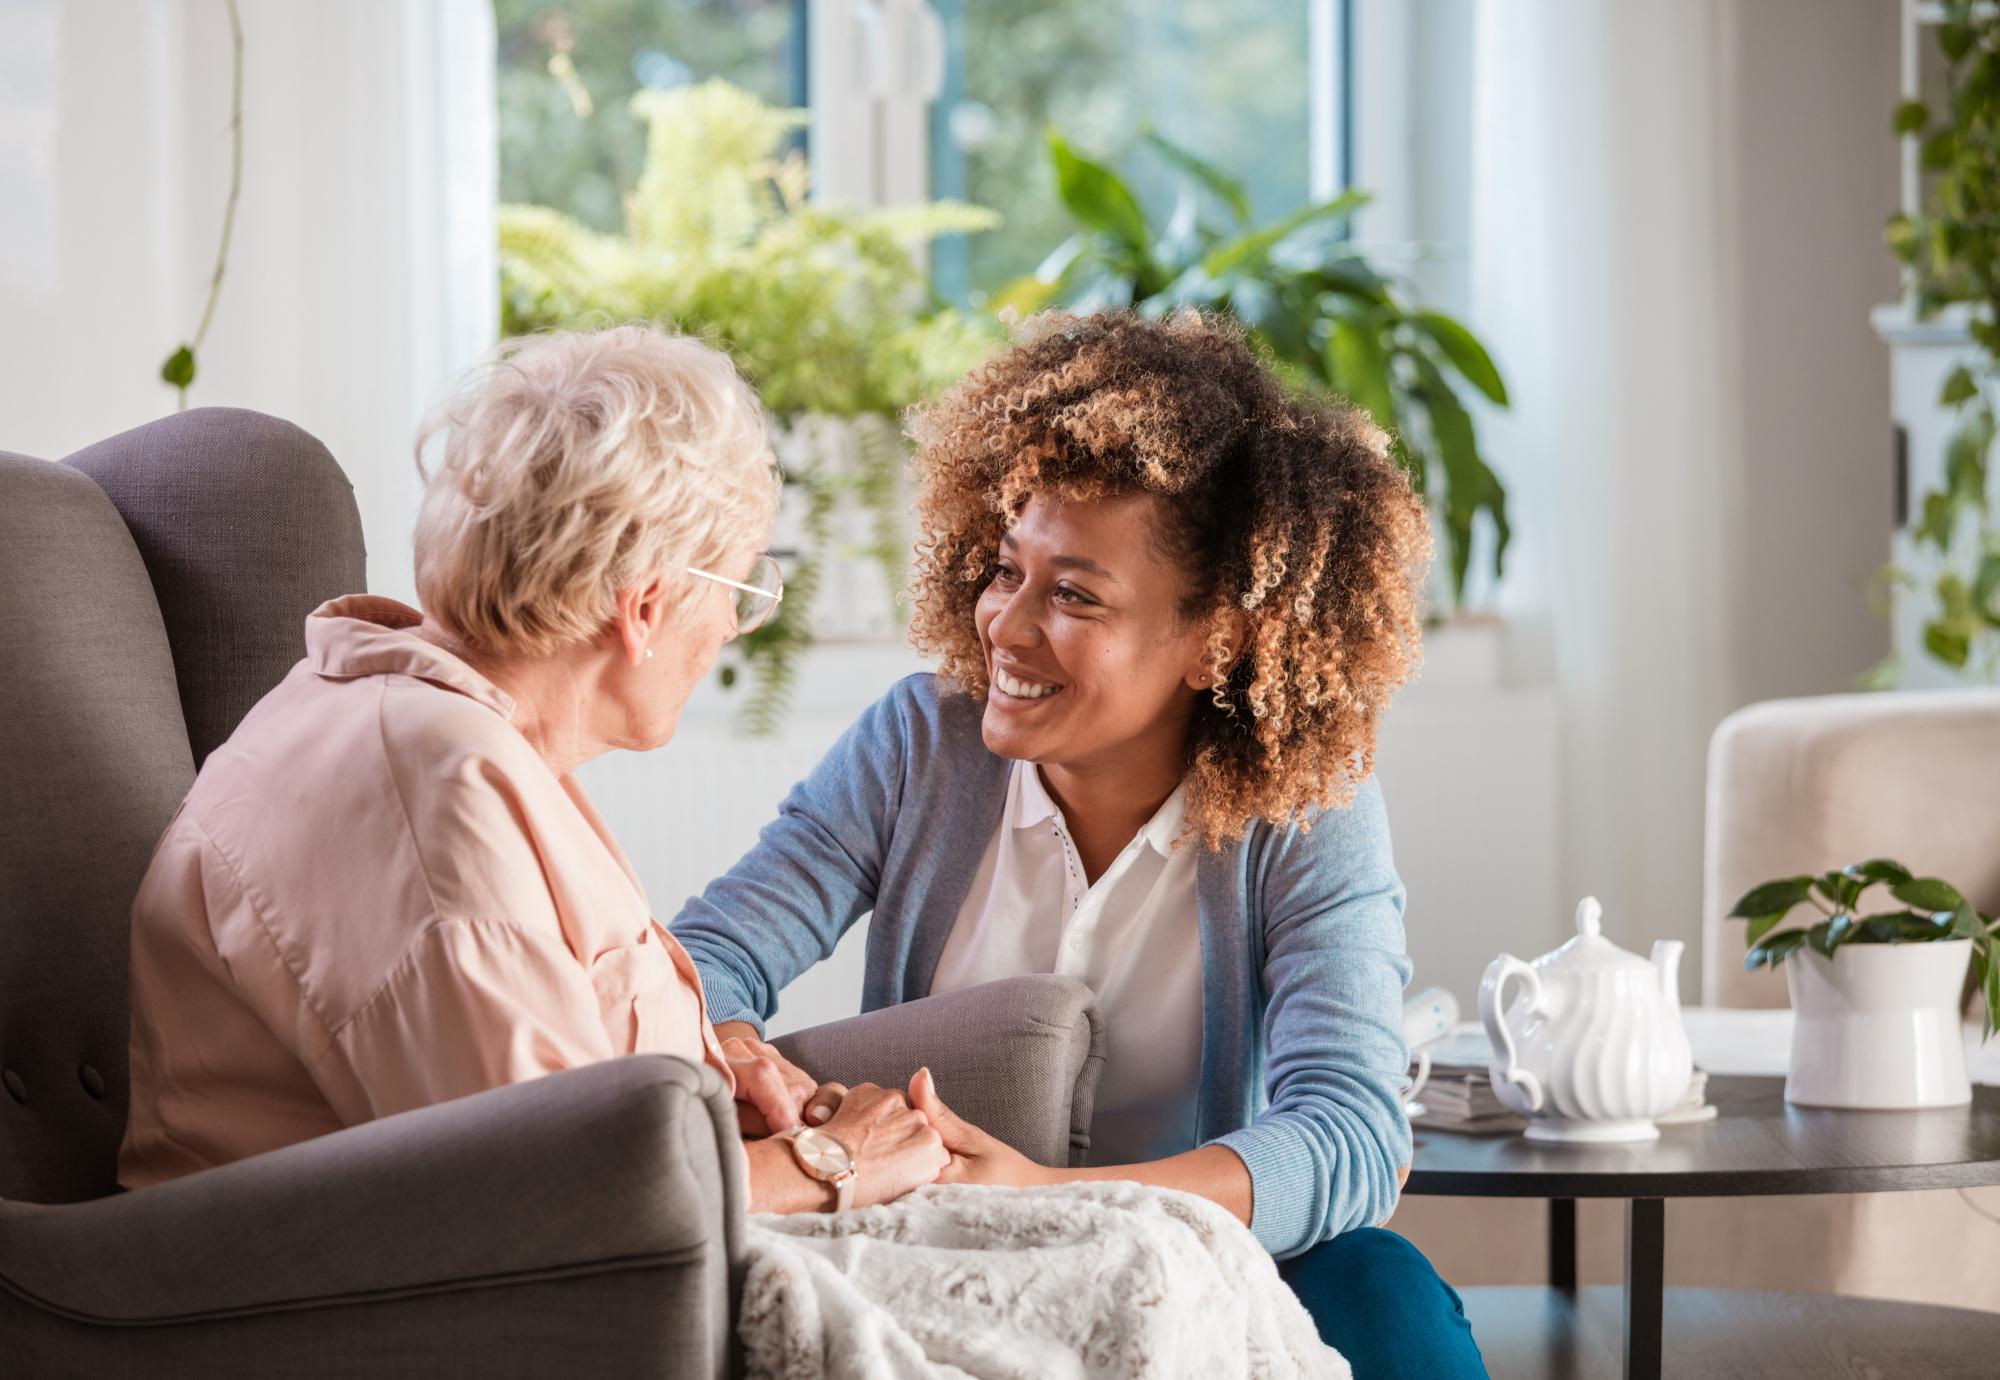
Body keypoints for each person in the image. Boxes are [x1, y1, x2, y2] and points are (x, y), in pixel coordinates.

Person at [674, 310, 1487, 1377]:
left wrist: (1050, 1198)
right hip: (946, 1253)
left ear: (1217, 640)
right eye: (1006, 569)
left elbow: (1347, 1135)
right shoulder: (920, 745)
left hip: (1201, 1263)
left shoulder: (1303, 815)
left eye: (1072, 595)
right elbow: (706, 957)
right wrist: (735, 1050)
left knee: (1381, 1292)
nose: (1005, 626)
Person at [117, 325, 946, 1215]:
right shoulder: (434, 792)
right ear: (647, 606)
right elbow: (551, 1202)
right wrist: (829, 1161)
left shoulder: (432, 725)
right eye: (742, 592)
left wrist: (700, 1074)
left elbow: (541, 1074)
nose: (730, 631)